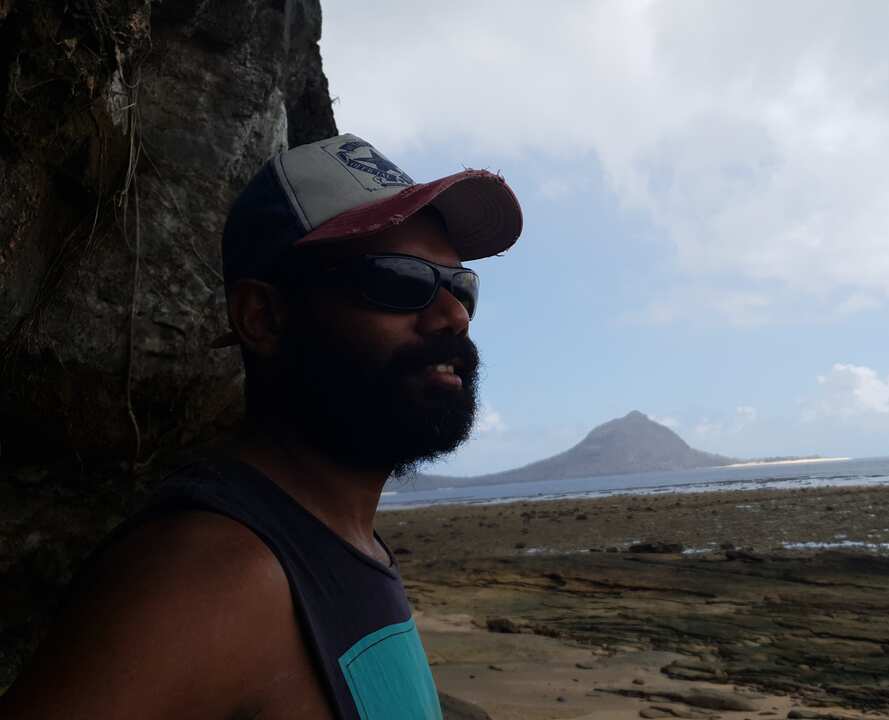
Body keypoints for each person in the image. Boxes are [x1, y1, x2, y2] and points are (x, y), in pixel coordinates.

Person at [0, 133, 522, 719]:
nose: (454, 315)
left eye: (461, 287)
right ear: (263, 318)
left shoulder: (350, 544)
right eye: (400, 281)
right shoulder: (212, 574)